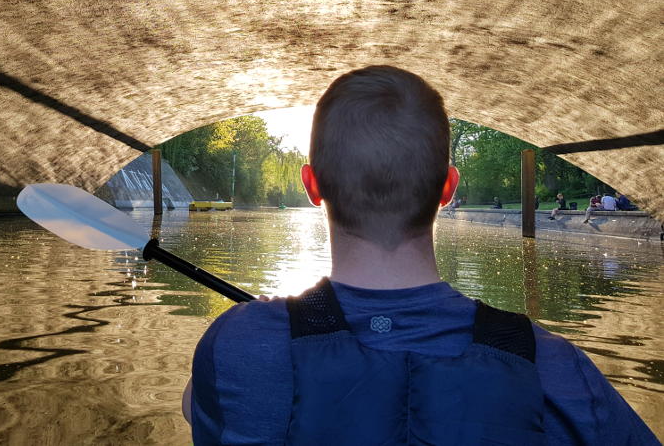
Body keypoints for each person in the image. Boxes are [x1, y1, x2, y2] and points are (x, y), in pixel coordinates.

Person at [183, 66, 657, 445]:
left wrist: (264, 319)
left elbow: (195, 406)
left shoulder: (236, 343)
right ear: (447, 188)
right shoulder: (555, 366)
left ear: (312, 185)